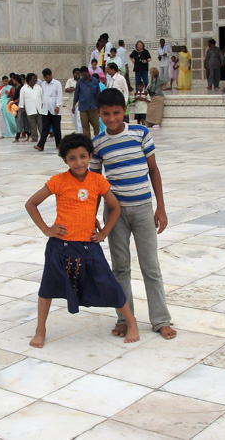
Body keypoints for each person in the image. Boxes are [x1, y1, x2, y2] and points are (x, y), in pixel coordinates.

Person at [25, 133, 139, 348]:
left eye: (83, 156)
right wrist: (46, 229)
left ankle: (132, 323)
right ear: (65, 161)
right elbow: (31, 204)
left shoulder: (97, 181)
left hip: (89, 246)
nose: (79, 162)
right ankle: (40, 330)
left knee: (109, 283)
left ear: (90, 156)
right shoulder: (57, 181)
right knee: (47, 288)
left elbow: (115, 207)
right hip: (60, 247)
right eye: (72, 158)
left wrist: (103, 232)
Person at [90, 88, 176, 340]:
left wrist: (160, 206)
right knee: (120, 268)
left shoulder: (141, 133)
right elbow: (96, 184)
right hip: (114, 214)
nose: (112, 118)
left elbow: (153, 170)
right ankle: (124, 319)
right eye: (106, 114)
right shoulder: (98, 143)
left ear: (125, 110)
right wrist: (92, 215)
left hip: (142, 210)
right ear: (98, 113)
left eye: (117, 112)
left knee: (151, 266)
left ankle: (161, 320)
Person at [34, 68, 63, 152]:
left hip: (55, 109)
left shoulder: (57, 84)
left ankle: (59, 145)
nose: (46, 79)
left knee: (56, 128)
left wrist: (58, 106)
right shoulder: (43, 84)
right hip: (45, 109)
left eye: (47, 77)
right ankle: (41, 145)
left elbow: (59, 95)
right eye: (44, 77)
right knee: (45, 128)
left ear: (50, 75)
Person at [72, 66, 100, 139]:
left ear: (88, 72)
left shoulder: (94, 81)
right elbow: (76, 95)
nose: (83, 76)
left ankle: (97, 139)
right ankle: (88, 142)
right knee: (85, 125)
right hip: (83, 107)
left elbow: (98, 94)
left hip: (93, 107)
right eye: (82, 75)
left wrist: (99, 106)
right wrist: (73, 105)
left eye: (84, 74)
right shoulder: (79, 83)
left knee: (96, 125)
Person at [19, 73, 43, 143]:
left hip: (39, 109)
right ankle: (34, 138)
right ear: (29, 79)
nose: (36, 80)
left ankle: (43, 137)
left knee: (41, 124)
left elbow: (42, 97)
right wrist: (22, 107)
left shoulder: (38, 87)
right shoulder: (23, 89)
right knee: (33, 125)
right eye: (34, 78)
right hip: (30, 109)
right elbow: (22, 99)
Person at [10, 74, 31, 143]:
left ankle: (17, 137)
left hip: (20, 105)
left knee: (20, 121)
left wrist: (14, 102)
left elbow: (20, 98)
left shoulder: (21, 88)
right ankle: (29, 134)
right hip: (16, 106)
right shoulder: (16, 87)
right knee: (21, 121)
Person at [65, 68, 82, 133]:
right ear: (73, 74)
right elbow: (66, 89)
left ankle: (79, 134)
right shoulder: (70, 81)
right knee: (74, 120)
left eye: (78, 73)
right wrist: (75, 89)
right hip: (72, 104)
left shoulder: (82, 81)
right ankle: (78, 131)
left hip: (80, 103)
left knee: (79, 120)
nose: (77, 74)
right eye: (76, 73)